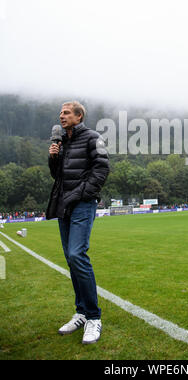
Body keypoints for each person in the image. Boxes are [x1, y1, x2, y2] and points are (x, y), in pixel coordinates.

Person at [46, 101, 109, 344]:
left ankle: (94, 317)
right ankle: (81, 312)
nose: (61, 116)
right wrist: (53, 158)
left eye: (66, 112)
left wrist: (84, 193)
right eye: (60, 112)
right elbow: (58, 176)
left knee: (76, 255)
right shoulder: (62, 141)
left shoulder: (93, 137)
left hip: (82, 203)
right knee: (71, 260)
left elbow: (102, 169)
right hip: (64, 205)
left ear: (79, 116)